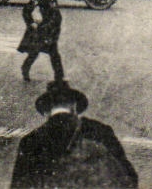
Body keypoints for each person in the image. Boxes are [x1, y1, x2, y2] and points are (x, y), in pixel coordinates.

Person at [9, 80, 137, 188]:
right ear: (74, 107)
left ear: (46, 111)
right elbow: (130, 179)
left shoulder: (30, 140)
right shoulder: (99, 131)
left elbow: (19, 185)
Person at [19, 0, 64, 82]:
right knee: (35, 52)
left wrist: (57, 25)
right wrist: (31, 23)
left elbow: (57, 13)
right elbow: (26, 11)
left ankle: (59, 76)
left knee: (54, 53)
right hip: (40, 31)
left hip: (50, 30)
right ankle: (25, 68)